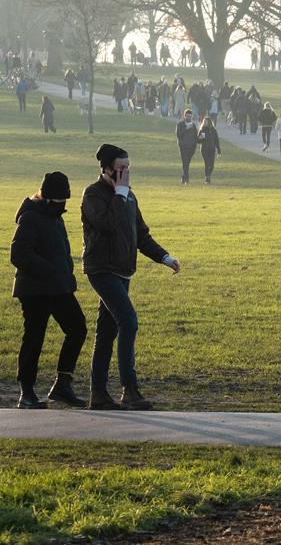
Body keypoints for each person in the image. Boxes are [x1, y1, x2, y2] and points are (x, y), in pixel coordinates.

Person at [83, 145, 181, 410]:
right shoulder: (93, 194)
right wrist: (120, 194)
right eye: (120, 170)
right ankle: (130, 389)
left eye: (128, 169)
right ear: (105, 169)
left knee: (106, 331)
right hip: (102, 270)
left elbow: (141, 235)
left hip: (123, 271)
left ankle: (99, 394)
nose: (125, 174)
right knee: (128, 322)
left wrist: (165, 257)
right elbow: (106, 224)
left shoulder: (129, 197)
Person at [10, 172, 88, 409]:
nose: (62, 206)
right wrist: (51, 270)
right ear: (46, 197)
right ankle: (27, 392)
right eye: (59, 201)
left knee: (77, 328)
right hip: (34, 290)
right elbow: (19, 254)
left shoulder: (54, 215)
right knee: (34, 337)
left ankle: (62, 384)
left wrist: (65, 273)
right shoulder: (31, 217)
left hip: (57, 287)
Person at [175, 110, 199, 184]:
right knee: (185, 162)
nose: (189, 117)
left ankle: (183, 177)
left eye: (190, 116)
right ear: (184, 116)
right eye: (187, 116)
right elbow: (178, 135)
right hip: (183, 147)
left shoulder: (193, 125)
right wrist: (186, 129)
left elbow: (196, 136)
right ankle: (187, 179)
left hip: (191, 148)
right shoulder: (180, 124)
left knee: (187, 163)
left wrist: (199, 139)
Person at [197, 117, 221, 184]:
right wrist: (200, 138)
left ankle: (208, 175)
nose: (204, 123)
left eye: (206, 121)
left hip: (212, 150)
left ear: (209, 122)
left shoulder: (213, 130)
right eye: (204, 122)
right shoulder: (202, 130)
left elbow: (216, 141)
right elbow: (198, 141)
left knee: (212, 165)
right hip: (204, 150)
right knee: (207, 163)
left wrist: (219, 151)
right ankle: (207, 178)